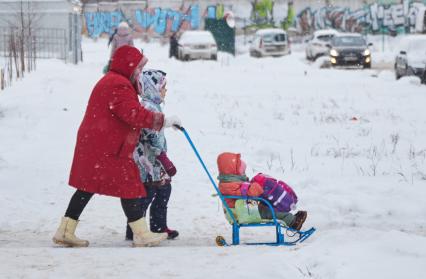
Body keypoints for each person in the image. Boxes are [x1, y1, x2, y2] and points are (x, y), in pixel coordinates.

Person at [52, 45, 182, 248]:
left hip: (101, 144)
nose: (139, 73)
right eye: (138, 68)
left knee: (90, 187)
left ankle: (66, 230)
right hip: (106, 147)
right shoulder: (118, 85)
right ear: (128, 66)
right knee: (126, 186)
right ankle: (140, 234)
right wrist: (163, 120)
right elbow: (134, 114)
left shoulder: (114, 81)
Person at [125, 69, 179, 241]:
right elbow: (149, 134)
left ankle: (158, 226)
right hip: (147, 160)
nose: (165, 91)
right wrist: (162, 156)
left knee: (164, 189)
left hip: (154, 161)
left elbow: (158, 127)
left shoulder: (153, 106)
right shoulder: (147, 107)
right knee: (146, 195)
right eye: (163, 87)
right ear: (153, 88)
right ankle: (136, 229)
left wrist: (168, 124)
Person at [217, 152, 307, 230]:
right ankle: (293, 222)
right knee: (270, 213)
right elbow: (248, 193)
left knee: (267, 208)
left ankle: (290, 217)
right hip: (244, 212)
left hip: (245, 209)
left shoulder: (229, 183)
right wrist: (258, 185)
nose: (243, 172)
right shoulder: (229, 185)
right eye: (240, 170)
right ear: (232, 171)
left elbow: (243, 191)